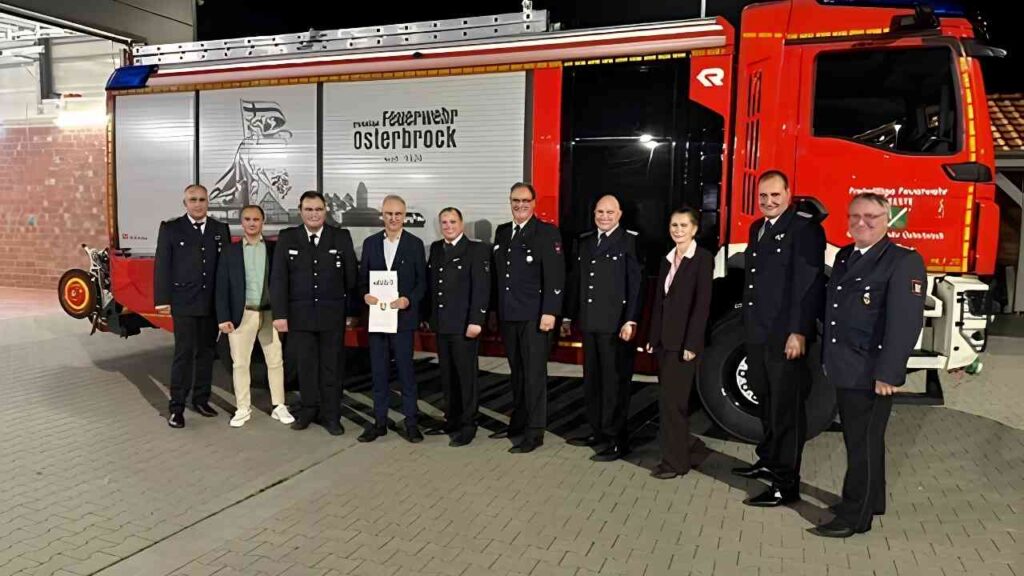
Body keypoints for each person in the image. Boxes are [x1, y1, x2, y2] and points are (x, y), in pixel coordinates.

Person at [809, 192, 925, 538]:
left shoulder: (903, 261)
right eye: (855, 216)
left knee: (863, 445)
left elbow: (905, 323)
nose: (861, 223)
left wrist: (889, 373)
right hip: (846, 365)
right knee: (862, 440)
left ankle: (854, 517)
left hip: (871, 371)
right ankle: (872, 500)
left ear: (887, 220)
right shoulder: (845, 255)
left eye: (871, 217)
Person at [733, 170, 826, 507]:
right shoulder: (758, 228)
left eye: (775, 195)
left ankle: (785, 485)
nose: (768, 201)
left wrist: (798, 331)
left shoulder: (804, 229)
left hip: (786, 335)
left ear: (788, 194)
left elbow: (808, 284)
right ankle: (769, 459)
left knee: (786, 411)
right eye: (763, 196)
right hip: (759, 333)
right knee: (767, 401)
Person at [561, 195, 643, 461]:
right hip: (590, 322)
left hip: (615, 325)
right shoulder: (585, 242)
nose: (604, 217)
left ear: (619, 214)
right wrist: (567, 316)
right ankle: (597, 431)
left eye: (610, 212)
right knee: (593, 381)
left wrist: (630, 319)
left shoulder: (629, 241)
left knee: (614, 384)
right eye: (600, 212)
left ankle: (617, 439)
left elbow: (635, 284)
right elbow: (576, 280)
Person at [271, 190, 357, 436]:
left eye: (318, 209)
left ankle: (331, 415)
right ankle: (308, 410)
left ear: (325, 211)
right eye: (308, 209)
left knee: (331, 368)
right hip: (300, 316)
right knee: (306, 367)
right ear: (300, 211)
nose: (314, 214)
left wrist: (352, 312)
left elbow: (351, 277)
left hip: (332, 316)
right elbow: (279, 278)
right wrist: (280, 314)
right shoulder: (288, 237)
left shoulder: (340, 237)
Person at [490, 182, 564, 453]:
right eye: (515, 200)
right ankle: (518, 422)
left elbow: (556, 274)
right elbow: (499, 276)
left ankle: (535, 432)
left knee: (534, 375)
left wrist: (550, 312)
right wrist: (495, 311)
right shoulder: (502, 232)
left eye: (525, 200)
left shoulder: (546, 232)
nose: (520, 205)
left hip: (534, 316)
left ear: (534, 203)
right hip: (509, 314)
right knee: (517, 373)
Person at [154, 184, 231, 428]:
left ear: (208, 202)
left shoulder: (220, 229)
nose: (198, 204)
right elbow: (162, 266)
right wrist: (162, 300)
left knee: (207, 354)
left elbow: (225, 269)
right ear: (185, 203)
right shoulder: (171, 229)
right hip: (184, 302)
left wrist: (226, 303)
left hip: (210, 303)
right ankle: (176, 407)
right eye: (193, 200)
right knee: (184, 354)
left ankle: (201, 399)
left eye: (202, 199)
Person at [646, 207, 713, 479]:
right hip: (665, 343)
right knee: (668, 402)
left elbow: (702, 305)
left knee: (674, 405)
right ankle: (687, 451)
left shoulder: (703, 259)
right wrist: (652, 338)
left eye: (684, 225)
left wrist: (692, 344)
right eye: (674, 225)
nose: (678, 230)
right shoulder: (668, 259)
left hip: (683, 344)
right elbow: (659, 303)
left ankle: (675, 463)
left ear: (694, 229)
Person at [215, 205, 294, 428]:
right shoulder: (230, 252)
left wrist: (284, 313)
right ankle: (243, 408)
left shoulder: (274, 249)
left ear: (263, 221)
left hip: (270, 314)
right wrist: (223, 317)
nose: (252, 223)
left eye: (256, 219)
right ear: (242, 222)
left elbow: (284, 282)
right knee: (240, 363)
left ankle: (279, 405)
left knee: (275, 361)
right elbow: (221, 287)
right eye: (247, 219)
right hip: (242, 315)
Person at [357, 195, 427, 444]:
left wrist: (409, 300)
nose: (394, 218)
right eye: (389, 214)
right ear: (382, 215)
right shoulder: (370, 244)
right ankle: (379, 422)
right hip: (378, 319)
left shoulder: (415, 244)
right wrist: (365, 295)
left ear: (405, 216)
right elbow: (362, 280)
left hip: (403, 320)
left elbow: (422, 283)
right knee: (378, 372)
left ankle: (411, 423)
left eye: (398, 214)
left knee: (406, 372)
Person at [423, 207, 490, 447]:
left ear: (461, 224)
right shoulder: (437, 249)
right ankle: (451, 419)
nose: (448, 226)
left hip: (464, 325)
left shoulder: (475, 250)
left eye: (452, 222)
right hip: (443, 324)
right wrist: (428, 316)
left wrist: (477, 320)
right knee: (448, 375)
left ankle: (468, 424)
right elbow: (433, 285)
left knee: (466, 377)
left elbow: (481, 287)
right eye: (444, 222)